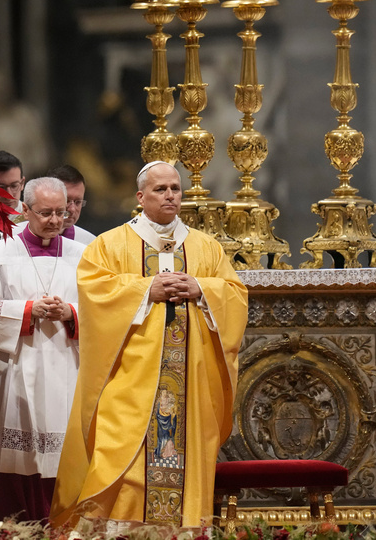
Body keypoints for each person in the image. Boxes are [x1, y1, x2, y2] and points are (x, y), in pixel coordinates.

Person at [50, 161, 248, 528]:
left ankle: (185, 532)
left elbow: (235, 295)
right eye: (160, 189)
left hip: (189, 383)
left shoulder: (206, 247)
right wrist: (146, 290)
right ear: (140, 197)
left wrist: (202, 289)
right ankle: (120, 533)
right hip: (129, 382)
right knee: (121, 458)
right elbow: (94, 293)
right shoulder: (110, 245)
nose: (170, 195)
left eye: (175, 188)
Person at [0, 177, 86, 525]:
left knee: (65, 462)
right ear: (25, 209)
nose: (54, 220)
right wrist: (25, 311)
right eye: (45, 212)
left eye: (61, 213)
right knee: (14, 467)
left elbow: (105, 308)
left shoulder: (85, 255)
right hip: (14, 371)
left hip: (67, 369)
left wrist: (72, 313)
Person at [15, 164, 95, 245]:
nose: (72, 209)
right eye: (66, 201)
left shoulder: (90, 243)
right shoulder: (12, 237)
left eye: (78, 202)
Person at [0, 150, 24, 219]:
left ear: (22, 184)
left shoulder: (33, 219)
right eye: (1, 188)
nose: (9, 196)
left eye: (14, 186)